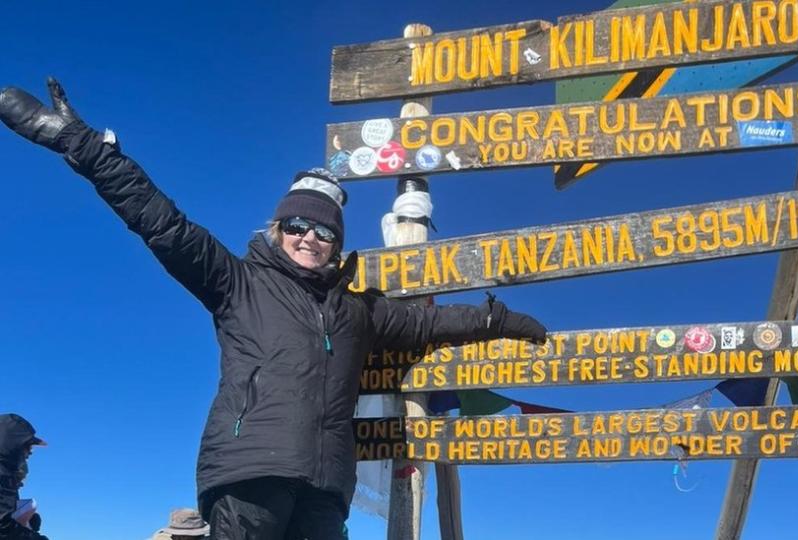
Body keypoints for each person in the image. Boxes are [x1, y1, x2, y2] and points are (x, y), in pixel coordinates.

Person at [0, 79, 547, 539]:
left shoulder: (358, 311)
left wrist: (497, 320)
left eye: (324, 230)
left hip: (327, 487)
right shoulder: (236, 281)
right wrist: (84, 146)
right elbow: (158, 221)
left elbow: (427, 322)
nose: (309, 237)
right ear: (277, 228)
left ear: (338, 242)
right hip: (249, 477)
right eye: (298, 226)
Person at [0, 414, 49, 540]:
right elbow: (3, 528)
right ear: (12, 444)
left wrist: (25, 521)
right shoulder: (2, 474)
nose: (30, 451)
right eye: (27, 445)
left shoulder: (6, 472)